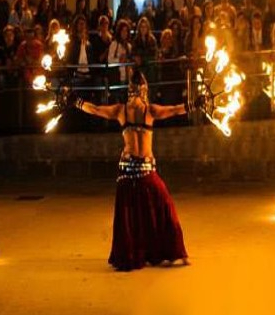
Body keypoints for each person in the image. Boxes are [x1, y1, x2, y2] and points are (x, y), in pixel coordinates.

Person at [68, 71, 190, 270]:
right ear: (143, 91)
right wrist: (76, 102)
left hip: (137, 171)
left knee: (153, 210)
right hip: (133, 172)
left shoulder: (133, 110)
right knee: (148, 211)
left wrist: (77, 102)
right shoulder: (140, 110)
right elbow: (176, 110)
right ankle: (139, 254)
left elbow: (96, 109)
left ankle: (161, 252)